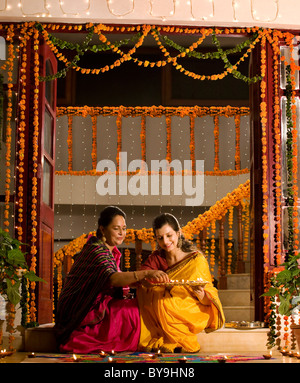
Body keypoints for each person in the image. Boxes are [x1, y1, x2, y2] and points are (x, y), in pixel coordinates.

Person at [54, 206, 168, 354]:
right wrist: (145, 273)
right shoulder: (96, 250)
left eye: (124, 228)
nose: (122, 233)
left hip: (95, 305)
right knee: (132, 310)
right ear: (103, 229)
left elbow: (111, 280)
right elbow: (112, 278)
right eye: (116, 228)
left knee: (140, 303)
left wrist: (140, 282)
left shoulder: (108, 250)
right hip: (80, 313)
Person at [136, 213, 225, 353]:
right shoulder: (157, 258)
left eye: (169, 235)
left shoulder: (196, 260)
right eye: (160, 238)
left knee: (164, 302)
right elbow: (141, 278)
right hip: (165, 304)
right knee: (158, 297)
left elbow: (210, 295)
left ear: (178, 233)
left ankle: (178, 340)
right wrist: (152, 278)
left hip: (192, 306)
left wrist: (202, 295)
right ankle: (171, 338)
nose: (165, 242)